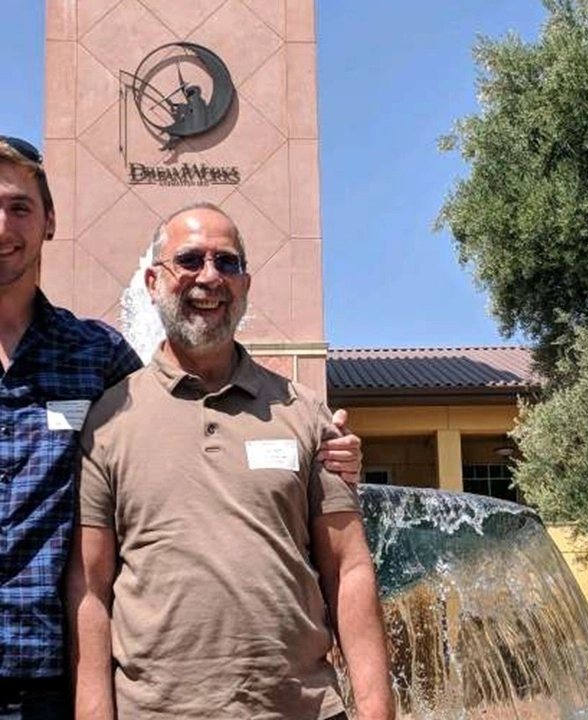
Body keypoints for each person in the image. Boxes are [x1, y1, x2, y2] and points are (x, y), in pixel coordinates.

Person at [0, 138, 365, 720]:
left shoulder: (97, 357)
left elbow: (178, 422)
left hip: (35, 687)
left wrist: (324, 447)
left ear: (49, 221)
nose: (2, 226)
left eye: (20, 208)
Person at [68, 203, 393, 720]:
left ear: (245, 284)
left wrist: (377, 710)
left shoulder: (304, 412)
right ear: (153, 281)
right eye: (189, 260)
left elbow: (348, 567)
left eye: (227, 262)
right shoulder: (109, 420)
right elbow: (90, 589)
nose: (209, 277)